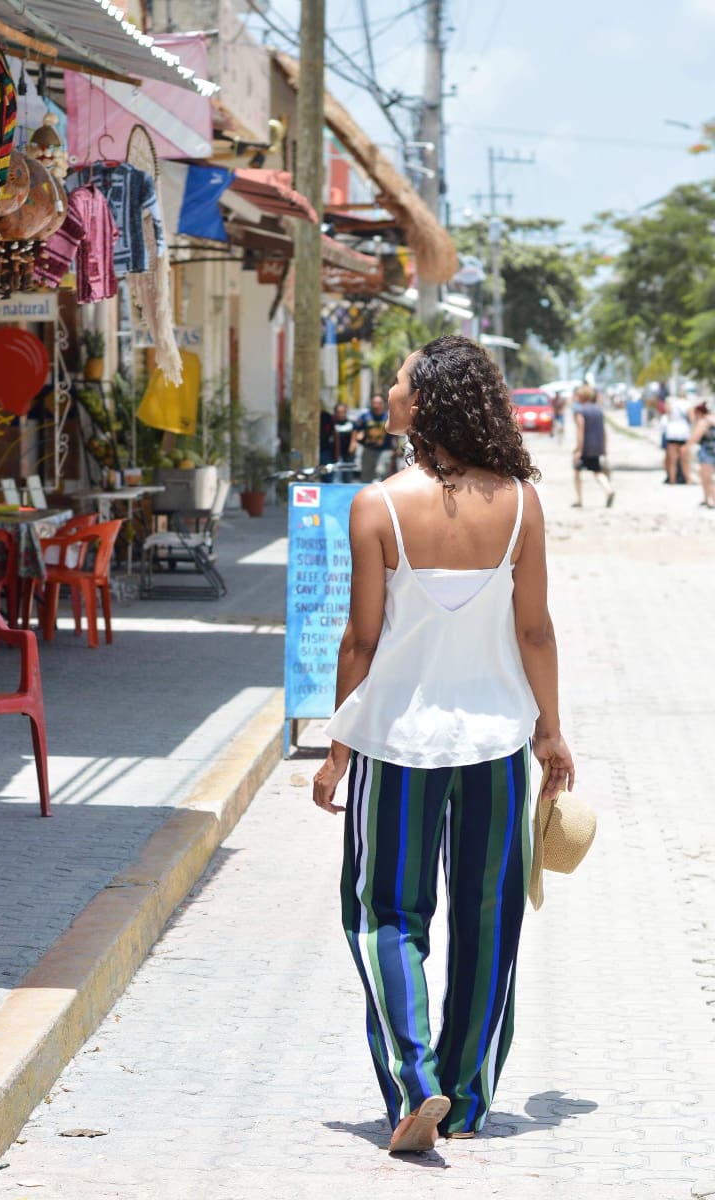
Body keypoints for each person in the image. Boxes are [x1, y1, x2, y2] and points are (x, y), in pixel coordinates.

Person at [312, 335, 574, 1154]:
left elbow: (360, 642)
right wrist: (550, 732)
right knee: (490, 917)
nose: (388, 391)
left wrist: (336, 750)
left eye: (397, 381)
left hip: (396, 746)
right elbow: (535, 631)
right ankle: (463, 1101)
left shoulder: (378, 506)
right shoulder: (521, 504)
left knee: (386, 915)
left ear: (424, 401)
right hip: (496, 744)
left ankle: (413, 1083)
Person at [572, 386, 615, 508]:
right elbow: (603, 431)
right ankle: (608, 489)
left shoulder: (580, 411)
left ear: (582, 396)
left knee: (577, 471)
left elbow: (580, 431)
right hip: (597, 446)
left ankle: (579, 500)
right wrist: (604, 448)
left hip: (585, 447)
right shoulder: (598, 410)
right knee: (597, 471)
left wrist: (578, 450)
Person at [354, 394, 394, 482]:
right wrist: (354, 442)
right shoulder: (364, 416)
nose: (376, 406)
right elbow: (356, 430)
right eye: (374, 403)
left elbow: (396, 434)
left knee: (381, 474)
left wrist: (395, 448)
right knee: (366, 476)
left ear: (384, 404)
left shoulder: (389, 417)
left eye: (379, 403)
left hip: (384, 450)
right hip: (368, 450)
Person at [689, 402, 715, 508]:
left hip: (708, 451)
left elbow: (696, 437)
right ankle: (706, 499)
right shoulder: (711, 419)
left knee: (707, 478)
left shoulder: (703, 421)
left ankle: (711, 500)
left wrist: (685, 447)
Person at [662, 394, 692, 485]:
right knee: (684, 459)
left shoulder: (672, 403)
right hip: (683, 432)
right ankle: (688, 480)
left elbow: (667, 415)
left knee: (672, 459)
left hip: (672, 431)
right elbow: (691, 419)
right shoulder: (688, 404)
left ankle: (672, 480)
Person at [333, 402, 356, 482]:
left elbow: (354, 436)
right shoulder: (332, 424)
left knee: (348, 476)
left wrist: (353, 446)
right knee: (336, 476)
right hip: (335, 455)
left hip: (348, 455)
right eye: (339, 412)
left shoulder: (351, 424)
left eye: (343, 412)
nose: (341, 414)